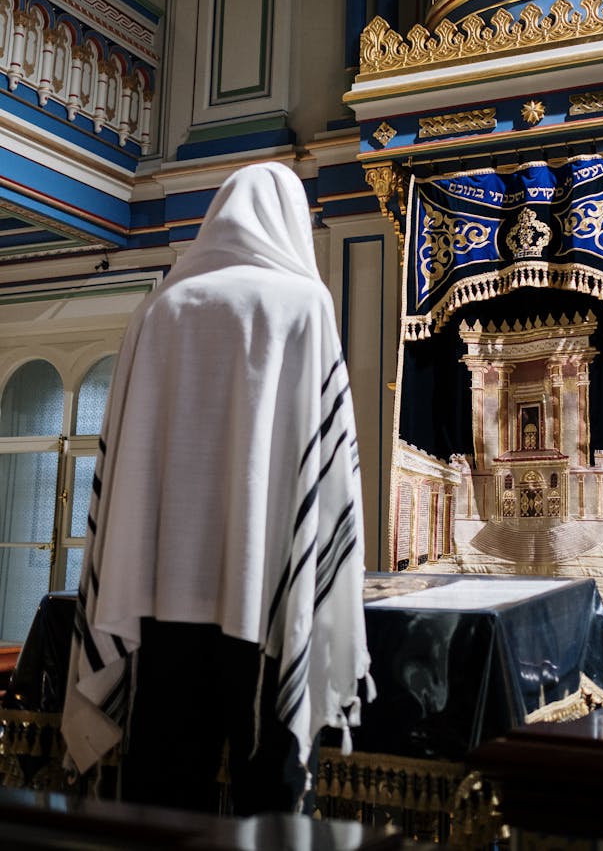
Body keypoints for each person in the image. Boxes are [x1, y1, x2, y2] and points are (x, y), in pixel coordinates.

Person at [61, 161, 372, 814]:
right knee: (269, 801)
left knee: (162, 795)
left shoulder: (163, 307)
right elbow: (330, 463)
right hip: (264, 596)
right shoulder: (303, 305)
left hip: (160, 598)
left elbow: (125, 469)